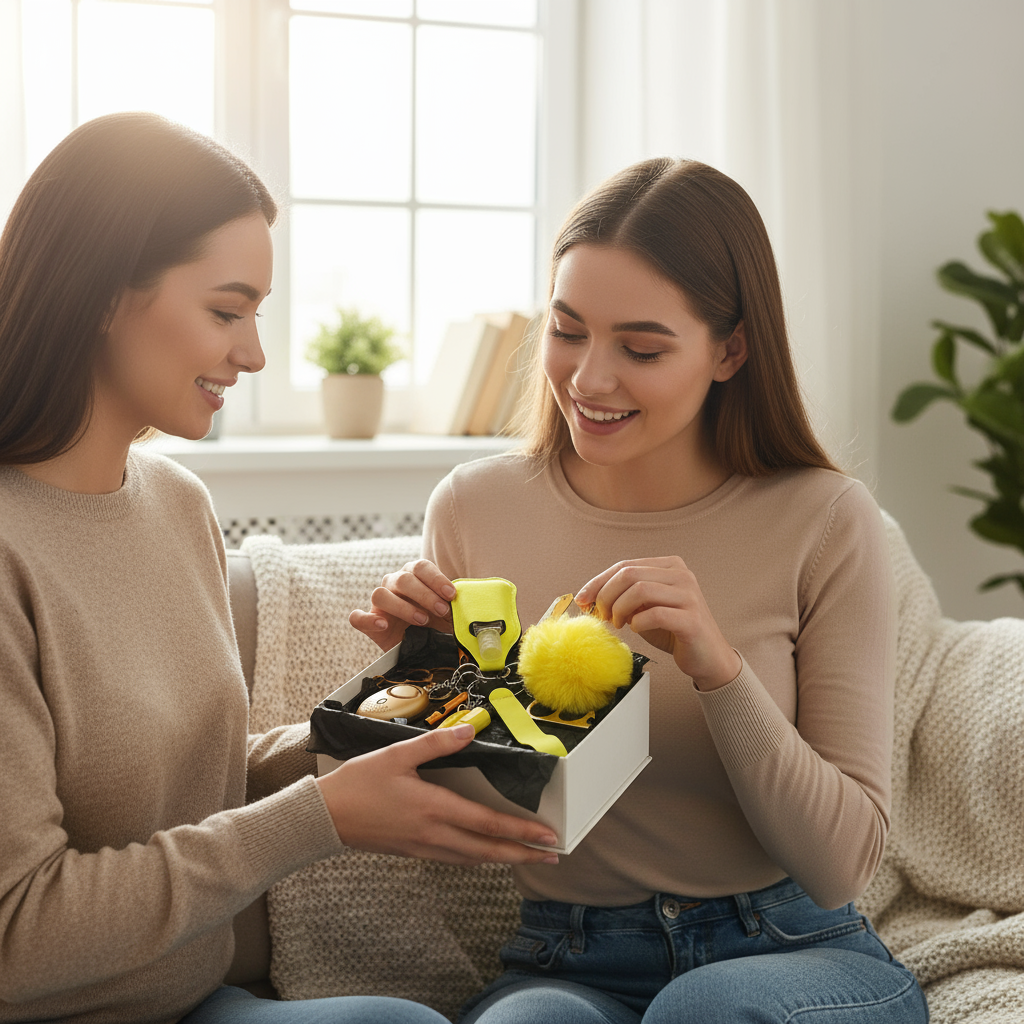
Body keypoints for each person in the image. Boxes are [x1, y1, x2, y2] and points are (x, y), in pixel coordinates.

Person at [0, 112, 560, 1024]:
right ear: (103, 292)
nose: (253, 355)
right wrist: (322, 817)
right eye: (226, 312)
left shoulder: (176, 504)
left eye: (256, 315)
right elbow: (17, 935)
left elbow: (201, 785)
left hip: (193, 999)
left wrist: (383, 715)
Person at [351, 158, 929, 1024]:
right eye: (568, 329)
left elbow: (842, 862)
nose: (588, 378)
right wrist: (418, 680)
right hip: (567, 952)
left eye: (643, 348)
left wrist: (720, 669)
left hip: (791, 949)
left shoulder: (825, 518)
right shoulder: (474, 507)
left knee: (704, 1012)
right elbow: (474, 811)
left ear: (730, 349)